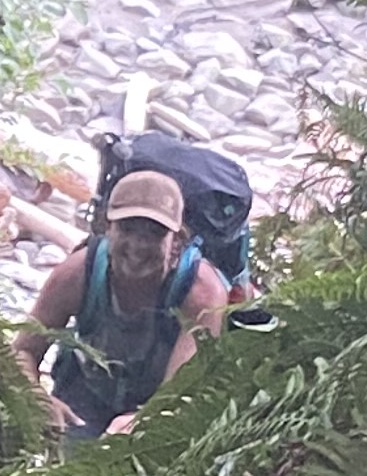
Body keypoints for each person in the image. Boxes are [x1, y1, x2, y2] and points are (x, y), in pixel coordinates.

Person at [15, 169, 227, 441]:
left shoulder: (202, 295)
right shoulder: (77, 274)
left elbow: (179, 394)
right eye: (127, 229)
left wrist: (145, 422)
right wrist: (36, 399)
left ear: (176, 242)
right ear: (107, 229)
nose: (138, 246)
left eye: (155, 234)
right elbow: (23, 351)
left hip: (159, 403)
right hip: (85, 393)